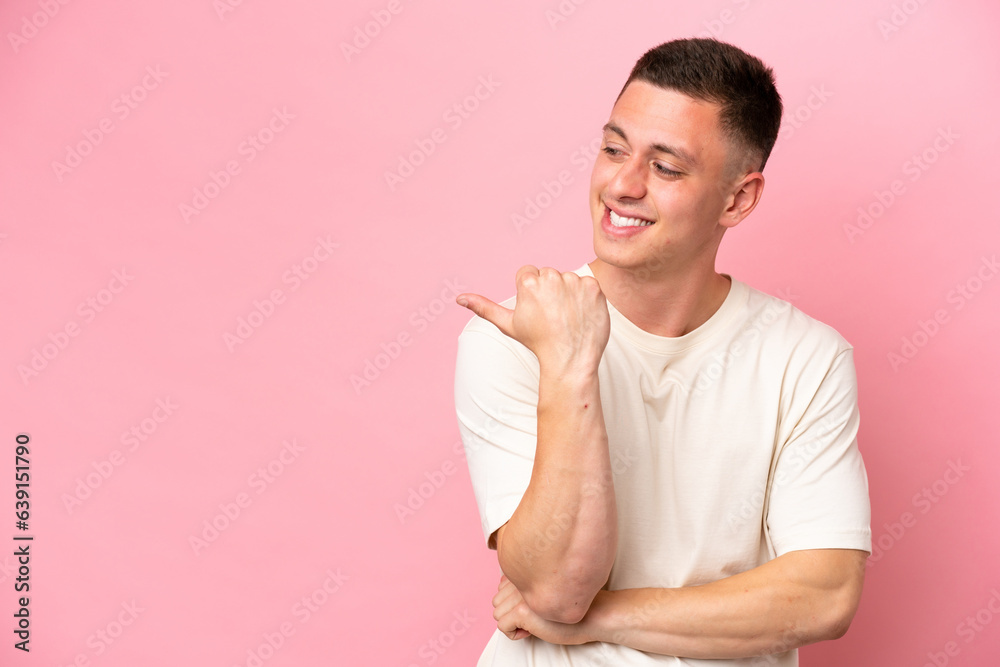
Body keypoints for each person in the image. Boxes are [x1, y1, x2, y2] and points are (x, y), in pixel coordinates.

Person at [452, 37, 871, 666]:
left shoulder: (806, 359)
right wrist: (569, 366)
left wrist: (601, 619)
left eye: (666, 167)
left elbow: (825, 597)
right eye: (613, 149)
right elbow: (558, 589)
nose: (622, 184)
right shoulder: (516, 336)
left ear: (737, 199)